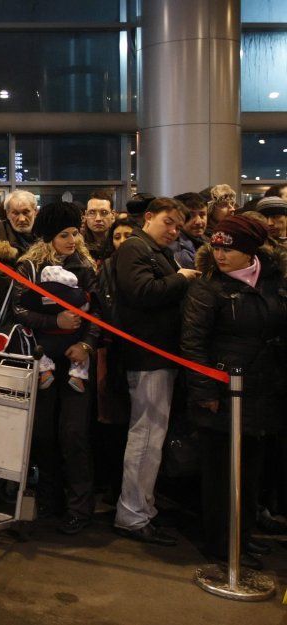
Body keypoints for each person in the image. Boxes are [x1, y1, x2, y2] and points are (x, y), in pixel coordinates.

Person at [181, 216, 287, 569]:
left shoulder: (273, 281)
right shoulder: (208, 288)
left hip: (263, 389)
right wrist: (205, 392)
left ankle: (245, 535)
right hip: (225, 391)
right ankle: (221, 543)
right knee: (220, 472)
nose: (221, 254)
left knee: (253, 468)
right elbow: (193, 344)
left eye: (230, 248)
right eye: (217, 246)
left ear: (250, 251)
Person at [112, 197, 199, 545]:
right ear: (149, 217)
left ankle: (141, 509)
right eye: (169, 222)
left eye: (178, 226)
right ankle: (133, 514)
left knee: (151, 437)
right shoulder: (135, 247)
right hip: (147, 357)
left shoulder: (151, 249)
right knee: (146, 438)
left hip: (159, 356)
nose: (174, 231)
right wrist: (181, 278)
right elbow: (142, 292)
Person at [12, 203, 100, 534]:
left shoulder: (86, 265)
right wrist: (54, 320)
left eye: (76, 233)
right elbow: (16, 311)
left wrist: (87, 345)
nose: (73, 240)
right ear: (49, 238)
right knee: (44, 433)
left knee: (74, 433)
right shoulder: (28, 266)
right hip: (41, 358)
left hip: (78, 360)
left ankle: (81, 508)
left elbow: (99, 311)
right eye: (65, 234)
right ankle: (50, 501)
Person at [0, 190, 38, 254]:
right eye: (15, 213)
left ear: (35, 212)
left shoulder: (46, 234)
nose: (21, 219)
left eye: (26, 212)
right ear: (8, 214)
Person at [171, 193, 208, 268]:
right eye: (191, 215)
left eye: (202, 215)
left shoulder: (208, 240)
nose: (198, 221)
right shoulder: (178, 251)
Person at [81, 189, 116, 263]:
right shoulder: (78, 245)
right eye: (92, 212)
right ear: (86, 215)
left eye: (104, 212)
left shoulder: (119, 243)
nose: (98, 219)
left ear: (113, 215)